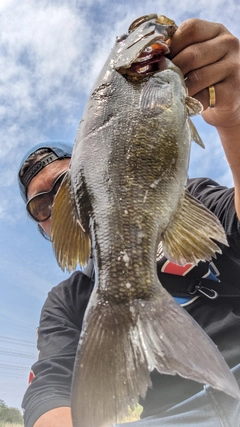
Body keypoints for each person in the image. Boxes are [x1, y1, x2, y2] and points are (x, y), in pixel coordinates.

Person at [18, 17, 240, 427]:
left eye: (68, 186)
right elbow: (50, 390)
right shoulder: (67, 303)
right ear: (44, 228)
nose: (59, 204)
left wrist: (232, 119)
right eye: (41, 206)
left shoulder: (198, 201)